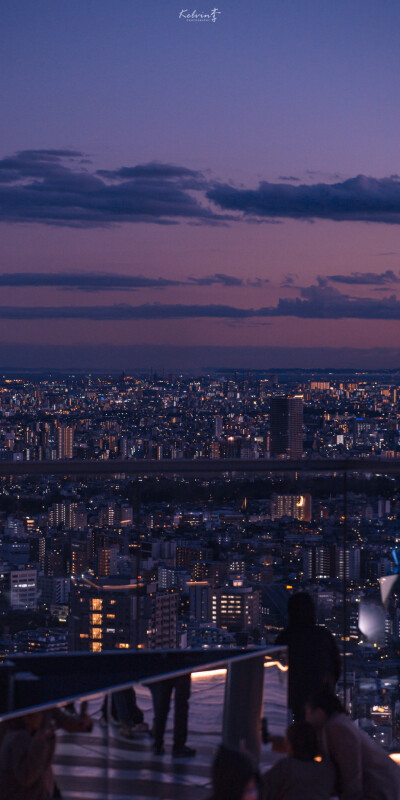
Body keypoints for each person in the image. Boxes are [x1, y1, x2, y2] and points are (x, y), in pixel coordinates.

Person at [305, 688, 400, 800]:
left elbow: (351, 772)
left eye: (308, 712)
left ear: (319, 712)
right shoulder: (339, 724)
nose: (307, 718)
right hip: (384, 784)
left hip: (378, 787)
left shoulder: (337, 728)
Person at [0, 703, 92, 800]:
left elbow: (66, 722)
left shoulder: (45, 703)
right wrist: (40, 743)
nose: (40, 717)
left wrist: (83, 723)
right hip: (22, 786)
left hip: (40, 779)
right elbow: (26, 775)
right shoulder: (17, 735)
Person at [276, 592, 341, 720]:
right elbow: (337, 668)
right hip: (322, 695)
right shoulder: (324, 635)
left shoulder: (284, 638)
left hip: (295, 696)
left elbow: (277, 671)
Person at [262, 721, 336, 800]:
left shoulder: (286, 768)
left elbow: (262, 790)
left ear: (290, 745)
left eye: (287, 741)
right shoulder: (326, 769)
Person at [150, 673, 196, 757]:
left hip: (164, 669)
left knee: (161, 707)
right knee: (181, 707)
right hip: (182, 667)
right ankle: (179, 747)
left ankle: (158, 744)